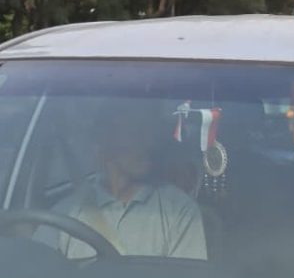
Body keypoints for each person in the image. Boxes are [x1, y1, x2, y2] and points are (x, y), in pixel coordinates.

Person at [38, 102, 207, 260]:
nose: (148, 143)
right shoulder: (66, 213)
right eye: (136, 132)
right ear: (105, 139)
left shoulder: (179, 211)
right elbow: (35, 273)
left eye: (151, 133)